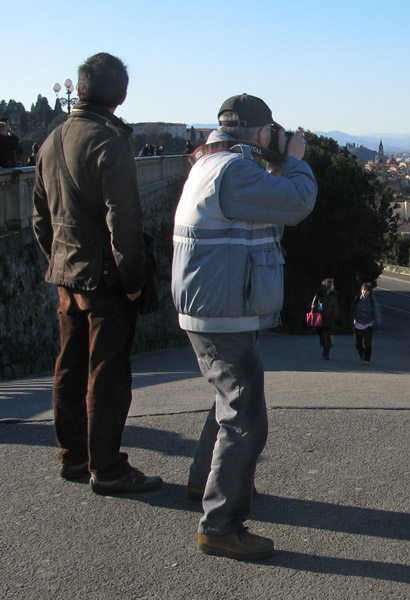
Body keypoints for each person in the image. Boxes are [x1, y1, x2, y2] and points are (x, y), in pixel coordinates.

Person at [172, 93, 317, 559]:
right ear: (260, 131)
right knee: (246, 416)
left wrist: (275, 161)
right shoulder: (232, 171)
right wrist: (293, 159)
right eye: (272, 131)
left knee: (228, 401)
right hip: (221, 311)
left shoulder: (214, 164)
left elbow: (262, 209)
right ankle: (221, 524)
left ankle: (204, 481)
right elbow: (297, 202)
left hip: (216, 304)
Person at [32, 52, 163, 494]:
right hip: (105, 279)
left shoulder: (51, 142)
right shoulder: (109, 142)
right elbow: (123, 222)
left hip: (66, 275)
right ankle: (107, 468)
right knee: (107, 373)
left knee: (69, 366)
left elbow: (39, 219)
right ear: (121, 95)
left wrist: (59, 260)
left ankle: (74, 457)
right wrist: (133, 282)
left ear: (80, 88)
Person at [311, 278, 339, 360]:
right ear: (328, 286)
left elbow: (335, 308)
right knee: (322, 337)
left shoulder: (334, 296)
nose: (333, 286)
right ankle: (324, 348)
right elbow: (314, 305)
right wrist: (317, 309)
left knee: (329, 337)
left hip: (330, 319)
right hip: (320, 319)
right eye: (332, 285)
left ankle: (327, 353)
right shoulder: (319, 295)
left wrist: (336, 318)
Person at [350, 282, 376, 364]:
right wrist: (352, 321)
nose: (365, 292)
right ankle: (362, 353)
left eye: (367, 291)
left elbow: (375, 313)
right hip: (358, 324)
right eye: (364, 290)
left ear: (369, 292)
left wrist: (375, 323)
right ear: (361, 291)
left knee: (368, 343)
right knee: (357, 343)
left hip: (369, 324)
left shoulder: (371, 301)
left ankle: (367, 359)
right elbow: (352, 311)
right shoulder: (356, 300)